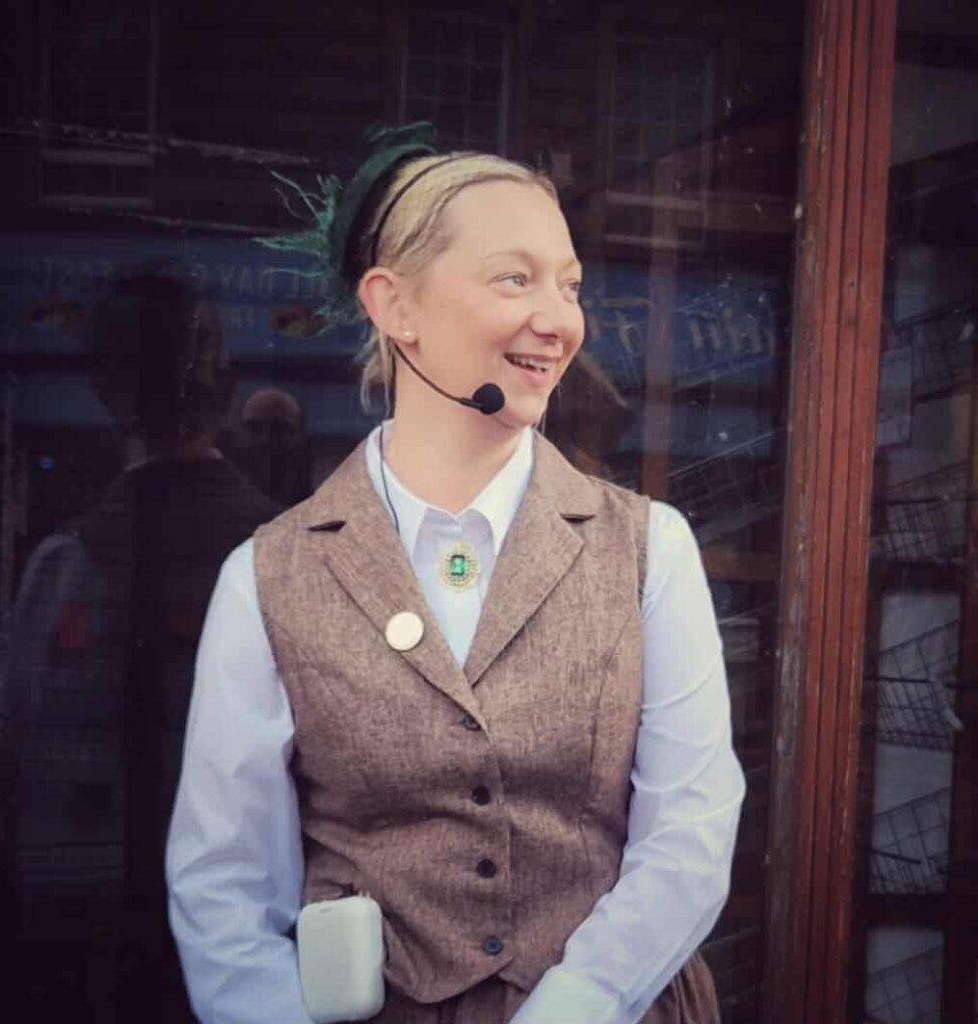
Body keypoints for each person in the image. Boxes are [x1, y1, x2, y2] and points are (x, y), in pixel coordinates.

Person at [166, 124, 746, 1024]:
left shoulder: (649, 548)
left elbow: (692, 835)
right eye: (514, 278)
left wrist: (574, 1006)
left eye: (569, 284)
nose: (558, 318)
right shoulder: (268, 576)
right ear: (396, 306)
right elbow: (225, 890)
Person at [0, 267, 281, 1022]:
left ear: (106, 388)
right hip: (253, 938)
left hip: (91, 941)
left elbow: (18, 769)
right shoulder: (289, 561)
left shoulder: (68, 563)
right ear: (226, 384)